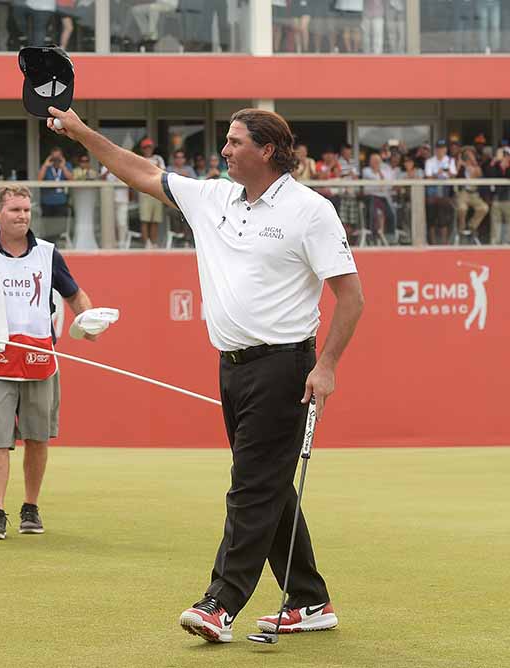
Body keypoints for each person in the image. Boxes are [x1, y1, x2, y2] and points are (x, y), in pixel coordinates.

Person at [47, 105, 363, 642]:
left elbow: (350, 297)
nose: (224, 151)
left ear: (267, 150)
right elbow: (140, 170)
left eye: (236, 142)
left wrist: (327, 365)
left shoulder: (310, 210)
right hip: (232, 367)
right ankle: (309, 601)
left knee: (250, 488)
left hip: (286, 366)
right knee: (269, 486)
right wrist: (80, 133)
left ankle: (220, 603)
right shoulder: (213, 196)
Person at [0, 184, 100, 540]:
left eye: (26, 210)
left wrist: (88, 321)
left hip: (40, 357)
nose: (22, 216)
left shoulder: (47, 253)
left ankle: (31, 506)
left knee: (37, 437)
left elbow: (74, 294)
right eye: (15, 210)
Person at [454, 147, 488, 245]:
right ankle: (461, 228)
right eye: (467, 155)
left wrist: (472, 162)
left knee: (484, 208)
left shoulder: (476, 167)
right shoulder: (460, 167)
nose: (469, 157)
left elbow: (477, 174)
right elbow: (454, 175)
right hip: (463, 193)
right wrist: (459, 164)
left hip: (474, 194)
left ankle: (471, 227)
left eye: (471, 155)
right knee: (462, 208)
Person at [137, 138, 166, 248]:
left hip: (157, 191)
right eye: (145, 147)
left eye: (149, 147)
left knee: (155, 219)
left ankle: (154, 242)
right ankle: (146, 243)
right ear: (142, 149)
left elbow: (162, 172)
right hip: (144, 192)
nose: (148, 149)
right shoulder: (140, 159)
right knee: (145, 219)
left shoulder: (158, 158)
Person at [484, 146, 510, 244]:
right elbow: (488, 174)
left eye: (506, 155)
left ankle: (507, 242)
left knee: (508, 222)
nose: (504, 157)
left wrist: (505, 165)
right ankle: (495, 243)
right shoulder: (495, 165)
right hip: (497, 198)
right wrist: (494, 161)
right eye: (504, 155)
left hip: (508, 199)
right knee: (495, 222)